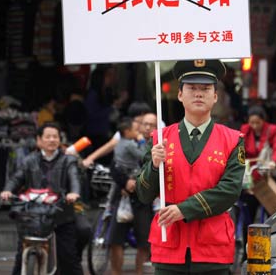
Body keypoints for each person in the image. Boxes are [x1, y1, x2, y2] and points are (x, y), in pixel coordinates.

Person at [136, 59, 246, 275]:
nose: (198, 94)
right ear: (179, 95)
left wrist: (183, 210)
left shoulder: (232, 140)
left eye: (205, 89)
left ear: (215, 96)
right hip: (169, 246)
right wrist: (155, 166)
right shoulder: (159, 139)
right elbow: (143, 194)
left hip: (212, 248)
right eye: (192, 88)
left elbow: (230, 191)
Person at [0, 122, 84, 275]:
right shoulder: (29, 160)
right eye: (48, 137)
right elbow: (16, 178)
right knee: (21, 258)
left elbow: (74, 178)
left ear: (60, 140)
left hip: (61, 214)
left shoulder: (68, 160)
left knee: (69, 258)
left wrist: (74, 193)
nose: (52, 140)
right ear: (39, 140)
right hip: (34, 216)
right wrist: (7, 190)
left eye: (55, 137)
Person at [108, 113, 157, 275]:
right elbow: (114, 167)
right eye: (145, 124)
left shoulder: (156, 144)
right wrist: (125, 182)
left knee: (144, 240)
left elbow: (154, 167)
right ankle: (116, 272)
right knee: (115, 239)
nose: (148, 127)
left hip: (143, 198)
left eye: (152, 125)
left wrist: (139, 182)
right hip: (122, 195)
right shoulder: (125, 143)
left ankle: (139, 272)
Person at [82, 101, 163, 169]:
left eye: (137, 120)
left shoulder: (160, 125)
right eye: (134, 120)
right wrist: (90, 158)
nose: (147, 127)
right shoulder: (130, 129)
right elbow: (111, 144)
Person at [239, 104, 276, 213]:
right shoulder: (245, 129)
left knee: (273, 210)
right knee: (248, 208)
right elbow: (239, 147)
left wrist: (274, 162)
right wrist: (241, 162)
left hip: (267, 173)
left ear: (263, 120)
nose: (254, 126)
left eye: (257, 122)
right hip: (251, 175)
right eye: (252, 123)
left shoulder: (273, 130)